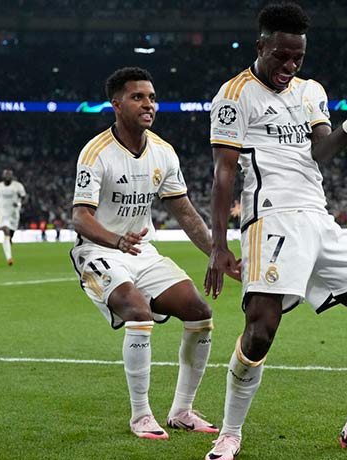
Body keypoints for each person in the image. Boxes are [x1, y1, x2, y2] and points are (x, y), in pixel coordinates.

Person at [205, 3, 347, 459]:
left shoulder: (311, 90)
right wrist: (218, 245)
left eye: (297, 58)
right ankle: (229, 434)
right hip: (270, 218)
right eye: (281, 57)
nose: (289, 67)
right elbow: (223, 173)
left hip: (318, 216)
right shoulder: (234, 95)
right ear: (261, 46)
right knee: (261, 331)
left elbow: (324, 152)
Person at [70, 67, 239, 440]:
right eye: (138, 97)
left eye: (151, 97)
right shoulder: (96, 153)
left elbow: (185, 213)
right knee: (137, 308)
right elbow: (80, 217)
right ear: (116, 104)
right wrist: (116, 241)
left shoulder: (163, 152)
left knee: (200, 311)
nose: (149, 105)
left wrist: (218, 252)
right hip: (99, 252)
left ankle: (182, 410)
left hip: (141, 251)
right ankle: (141, 415)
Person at [0, 168, 27, 265]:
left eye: (9, 175)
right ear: (3, 176)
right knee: (6, 232)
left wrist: (19, 204)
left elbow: (24, 197)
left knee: (11, 235)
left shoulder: (18, 186)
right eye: (6, 175)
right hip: (3, 212)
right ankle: (9, 258)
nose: (8, 176)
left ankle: (8, 242)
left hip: (14, 213)